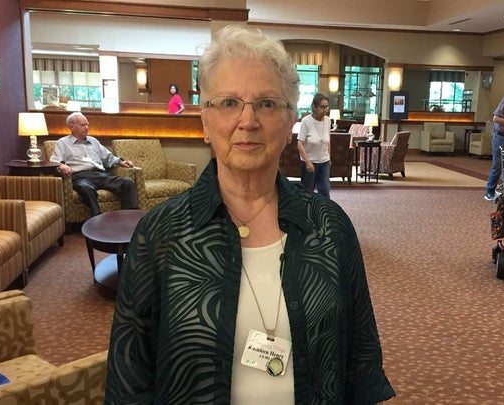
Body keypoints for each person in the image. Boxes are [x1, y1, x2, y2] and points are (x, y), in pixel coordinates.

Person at [105, 26, 395, 404]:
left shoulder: (330, 225)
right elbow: (129, 380)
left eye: (267, 103)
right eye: (228, 103)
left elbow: (360, 365)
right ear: (205, 123)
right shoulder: (161, 234)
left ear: (291, 120)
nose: (248, 120)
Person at [50, 112, 139, 217]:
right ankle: (97, 218)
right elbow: (54, 162)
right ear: (71, 127)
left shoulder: (93, 141)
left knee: (127, 182)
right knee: (86, 189)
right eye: (82, 125)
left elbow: (107, 157)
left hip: (100, 175)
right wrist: (61, 165)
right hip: (81, 177)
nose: (86, 127)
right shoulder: (63, 143)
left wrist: (121, 162)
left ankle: (131, 217)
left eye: (87, 124)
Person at [297, 92, 331, 198]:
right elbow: (299, 144)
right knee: (308, 193)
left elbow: (328, 141)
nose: (325, 110)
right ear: (314, 107)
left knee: (325, 189)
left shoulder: (328, 121)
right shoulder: (306, 121)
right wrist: (308, 162)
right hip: (309, 162)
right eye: (322, 107)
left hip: (324, 161)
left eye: (326, 107)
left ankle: (325, 213)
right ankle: (307, 213)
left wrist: (329, 157)